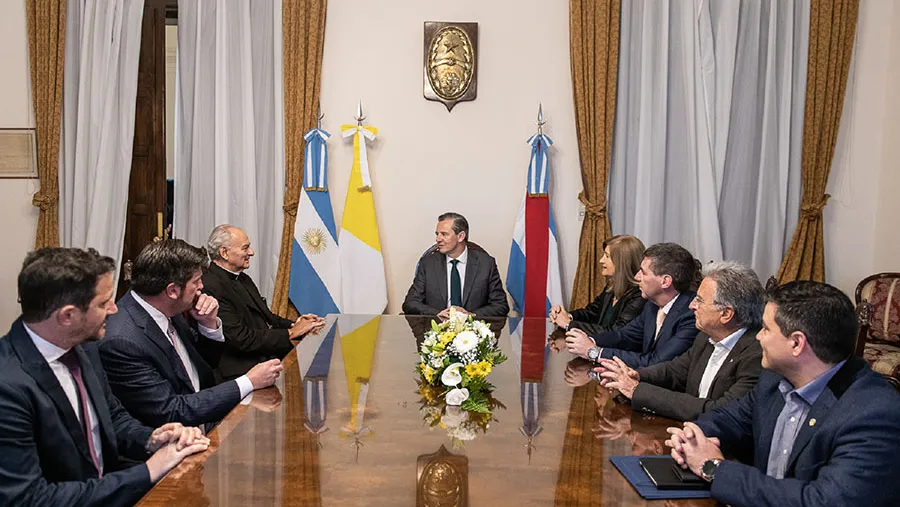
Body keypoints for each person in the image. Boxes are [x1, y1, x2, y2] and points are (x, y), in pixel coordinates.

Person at [0, 248, 209, 507]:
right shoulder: (8, 386)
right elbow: (29, 499)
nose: (114, 309)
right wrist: (149, 471)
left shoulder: (83, 346)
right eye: (103, 303)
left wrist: (152, 439)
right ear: (67, 316)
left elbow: (112, 418)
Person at [666, 281, 900, 507]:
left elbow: (823, 502)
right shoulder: (775, 380)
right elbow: (729, 418)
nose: (758, 337)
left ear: (796, 343)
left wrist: (714, 468)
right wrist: (693, 438)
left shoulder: (874, 415)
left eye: (766, 329)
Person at [99, 240, 284, 430]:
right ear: (172, 290)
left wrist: (208, 324)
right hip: (172, 440)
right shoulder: (122, 341)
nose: (202, 286)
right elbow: (171, 411)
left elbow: (203, 365)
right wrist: (248, 382)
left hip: (205, 423)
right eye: (196, 281)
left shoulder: (166, 307)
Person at [595, 261, 764, 421]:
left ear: (726, 314)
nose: (691, 306)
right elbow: (675, 371)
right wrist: (636, 375)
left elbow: (718, 410)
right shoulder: (705, 337)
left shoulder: (756, 356)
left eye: (699, 300)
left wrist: (636, 390)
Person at [202, 225, 325, 380]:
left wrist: (297, 324)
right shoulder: (210, 285)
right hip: (241, 371)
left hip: (264, 357)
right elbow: (241, 338)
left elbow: (268, 317)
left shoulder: (243, 278)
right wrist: (291, 332)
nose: (251, 252)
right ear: (224, 253)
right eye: (245, 248)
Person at [565, 242, 700, 368]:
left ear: (665, 281)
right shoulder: (652, 305)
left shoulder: (691, 314)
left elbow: (656, 362)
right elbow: (624, 336)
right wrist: (589, 341)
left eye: (643, 272)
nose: (636, 277)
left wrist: (594, 352)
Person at [402, 212, 509, 318]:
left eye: (444, 234)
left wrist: (471, 315)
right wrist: (437, 313)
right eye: (437, 234)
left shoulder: (486, 264)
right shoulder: (428, 263)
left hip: (472, 327)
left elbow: (500, 305)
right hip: (438, 326)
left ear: (461, 236)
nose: (438, 239)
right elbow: (410, 303)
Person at [550, 234, 646, 335]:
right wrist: (566, 316)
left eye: (607, 256)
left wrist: (569, 324)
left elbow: (616, 332)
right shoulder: (612, 286)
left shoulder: (639, 296)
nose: (601, 260)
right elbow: (591, 313)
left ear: (622, 262)